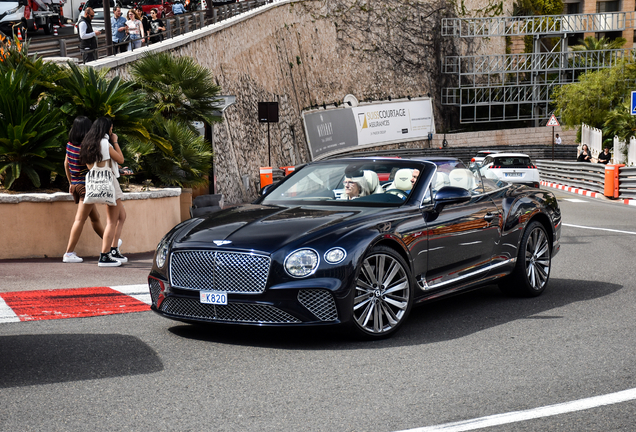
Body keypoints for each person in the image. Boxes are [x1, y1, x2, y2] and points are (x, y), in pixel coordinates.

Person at [79, 117, 128, 267]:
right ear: (107, 129)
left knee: (122, 216)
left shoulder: (88, 144)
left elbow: (91, 166)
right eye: (111, 128)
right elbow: (121, 159)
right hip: (109, 182)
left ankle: (113, 250)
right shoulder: (105, 143)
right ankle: (105, 255)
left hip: (99, 180)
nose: (112, 131)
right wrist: (115, 141)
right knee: (112, 221)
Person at [63, 116, 105, 263]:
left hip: (75, 184)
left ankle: (112, 243)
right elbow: (90, 168)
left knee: (95, 218)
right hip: (86, 187)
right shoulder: (85, 147)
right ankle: (69, 253)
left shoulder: (69, 145)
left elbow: (66, 164)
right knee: (79, 220)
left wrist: (70, 183)